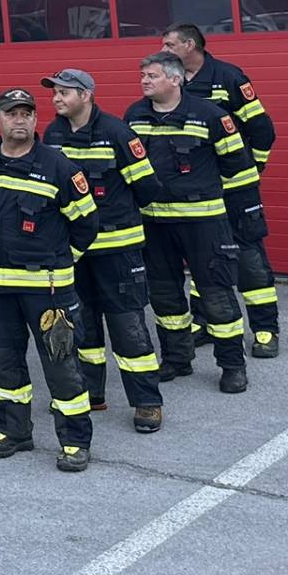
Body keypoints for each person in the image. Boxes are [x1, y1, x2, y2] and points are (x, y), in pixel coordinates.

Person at [0, 89, 100, 470]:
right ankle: (14, 432)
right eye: (12, 114)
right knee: (4, 363)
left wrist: (62, 260)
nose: (20, 120)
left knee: (61, 365)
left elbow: (87, 223)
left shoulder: (58, 166)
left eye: (27, 113)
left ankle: (75, 441)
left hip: (47, 288)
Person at [41, 69, 165, 432]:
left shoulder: (117, 133)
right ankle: (90, 393)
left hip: (119, 251)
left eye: (64, 93)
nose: (57, 99)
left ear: (86, 95)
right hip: (75, 253)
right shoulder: (53, 134)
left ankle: (147, 403)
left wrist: (115, 217)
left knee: (128, 327)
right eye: (55, 93)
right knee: (82, 327)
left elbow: (148, 186)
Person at [127, 52, 257, 393]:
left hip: (204, 223)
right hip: (155, 224)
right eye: (143, 75)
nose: (144, 81)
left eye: (152, 76)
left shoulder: (210, 115)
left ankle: (232, 365)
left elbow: (237, 165)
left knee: (216, 294)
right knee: (165, 295)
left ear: (175, 79)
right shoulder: (134, 116)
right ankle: (176, 358)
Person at [162, 24, 280, 357]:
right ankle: (207, 322)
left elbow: (262, 129)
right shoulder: (171, 83)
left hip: (236, 189)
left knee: (248, 257)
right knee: (204, 257)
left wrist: (251, 169)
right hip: (199, 192)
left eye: (169, 44)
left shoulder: (228, 78)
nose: (163, 49)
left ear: (189, 45)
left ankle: (265, 329)